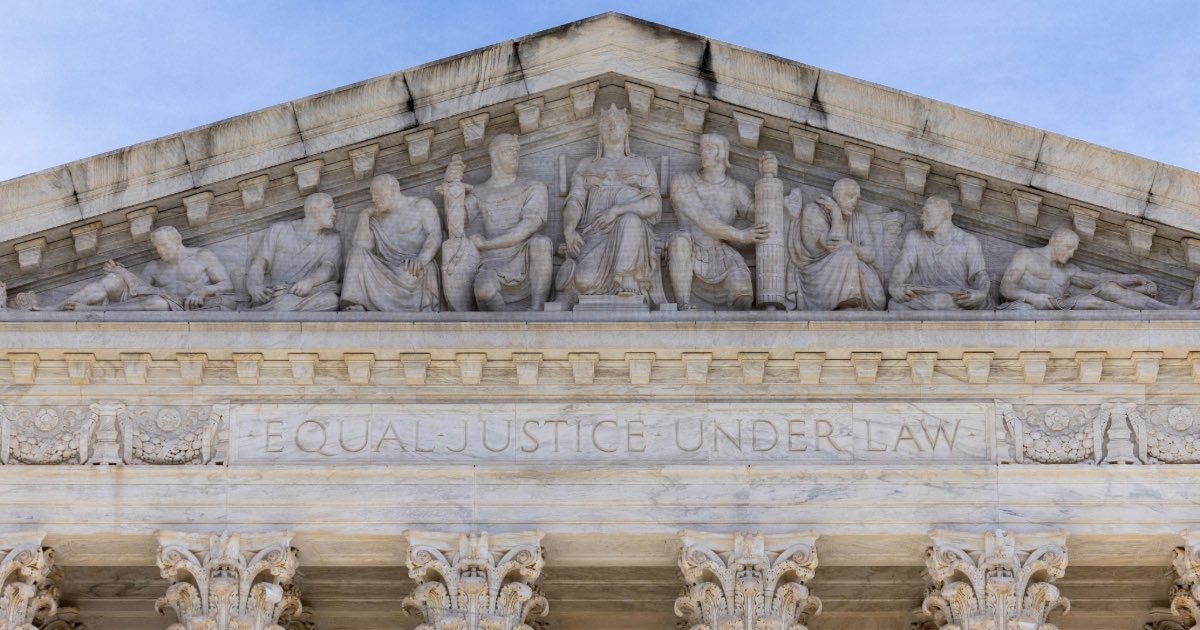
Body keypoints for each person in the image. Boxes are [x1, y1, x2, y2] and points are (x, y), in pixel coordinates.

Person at [555, 104, 665, 306]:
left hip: (632, 237)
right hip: (595, 234)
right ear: (599, 129)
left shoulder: (643, 164)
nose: (612, 126)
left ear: (627, 128)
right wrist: (569, 230)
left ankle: (627, 277)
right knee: (584, 281)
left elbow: (654, 205)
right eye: (607, 123)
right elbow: (575, 201)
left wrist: (617, 211)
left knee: (630, 220)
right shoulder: (587, 165)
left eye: (618, 122)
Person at [666, 133, 767, 310]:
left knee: (743, 296)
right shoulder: (683, 181)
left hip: (721, 254)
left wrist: (770, 179)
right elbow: (702, 218)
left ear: (722, 154)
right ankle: (683, 304)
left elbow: (760, 214)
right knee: (679, 240)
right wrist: (742, 236)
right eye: (702, 149)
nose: (703, 153)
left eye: (709, 148)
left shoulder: (736, 189)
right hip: (689, 251)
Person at [461, 134, 553, 311]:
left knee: (541, 242)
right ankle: (507, 329)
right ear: (494, 157)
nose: (514, 155)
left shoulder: (533, 186)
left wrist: (487, 244)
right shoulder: (480, 192)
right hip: (492, 261)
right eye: (508, 151)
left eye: (516, 151)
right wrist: (453, 189)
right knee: (483, 291)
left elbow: (529, 226)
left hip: (525, 256)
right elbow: (456, 224)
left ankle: (536, 311)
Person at [55, 226, 233, 311]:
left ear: (177, 240)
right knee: (113, 280)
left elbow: (227, 284)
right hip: (159, 299)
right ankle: (56, 308)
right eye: (157, 247)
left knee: (156, 303)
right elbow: (140, 291)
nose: (160, 251)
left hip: (185, 306)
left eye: (164, 245)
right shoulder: (154, 266)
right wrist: (122, 273)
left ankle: (94, 311)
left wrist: (204, 290)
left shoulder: (202, 255)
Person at [1000, 227, 1170, 310]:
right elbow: (1006, 287)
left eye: (1074, 249)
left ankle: (1164, 311)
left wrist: (1133, 278)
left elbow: (1098, 279)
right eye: (1068, 247)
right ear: (1053, 240)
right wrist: (1032, 297)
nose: (1071, 254)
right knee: (1092, 302)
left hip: (1061, 305)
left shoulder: (1068, 270)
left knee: (1109, 289)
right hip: (1031, 306)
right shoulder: (1026, 255)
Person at [340, 174, 442, 312]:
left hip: (412, 268)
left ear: (393, 190)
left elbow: (434, 235)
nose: (373, 199)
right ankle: (358, 304)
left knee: (413, 272)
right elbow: (361, 245)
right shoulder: (376, 218)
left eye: (377, 193)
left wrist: (421, 260)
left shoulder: (421, 205)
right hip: (384, 269)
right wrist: (364, 214)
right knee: (356, 253)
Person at [786, 178, 885, 311]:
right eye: (850, 196)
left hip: (847, 265)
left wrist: (850, 247)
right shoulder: (813, 211)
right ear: (836, 195)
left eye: (857, 198)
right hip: (816, 273)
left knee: (879, 299)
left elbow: (870, 254)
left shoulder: (859, 219)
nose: (855, 202)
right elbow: (834, 243)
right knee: (846, 252)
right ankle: (847, 304)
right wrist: (836, 213)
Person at [888, 196, 990, 311]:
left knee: (942, 300)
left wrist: (981, 294)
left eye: (927, 212)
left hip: (956, 298)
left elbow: (980, 275)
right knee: (894, 305)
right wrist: (894, 287)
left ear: (944, 214)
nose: (922, 217)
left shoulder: (968, 241)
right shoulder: (914, 237)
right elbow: (902, 267)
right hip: (925, 296)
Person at [244, 193, 341, 312]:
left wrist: (310, 282)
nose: (334, 213)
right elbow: (259, 263)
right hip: (277, 294)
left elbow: (328, 268)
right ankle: (272, 308)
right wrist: (253, 286)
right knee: (282, 303)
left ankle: (273, 310)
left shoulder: (332, 240)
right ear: (311, 209)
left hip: (307, 297)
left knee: (331, 300)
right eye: (328, 207)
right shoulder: (280, 229)